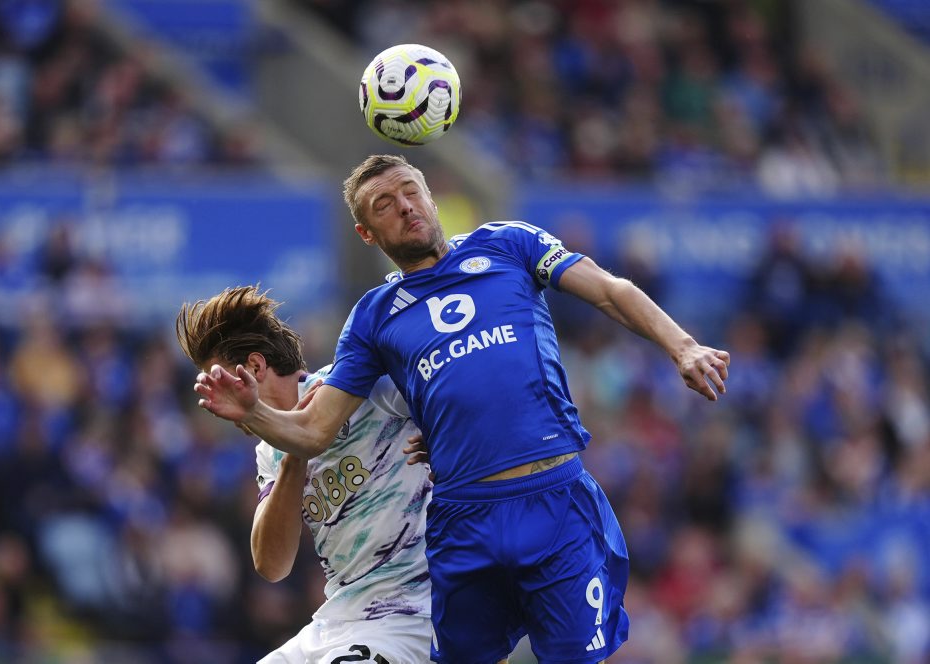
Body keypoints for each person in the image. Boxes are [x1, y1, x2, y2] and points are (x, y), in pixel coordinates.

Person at [193, 155, 731, 663]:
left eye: (411, 191)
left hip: (551, 498)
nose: (404, 206)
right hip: (461, 521)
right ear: (367, 234)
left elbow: (609, 291)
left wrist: (682, 345)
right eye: (384, 205)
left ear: (430, 195)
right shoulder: (375, 318)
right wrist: (257, 416)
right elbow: (310, 438)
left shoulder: (508, 245)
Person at [176, 285, 435, 664]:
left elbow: (447, 396)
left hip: (411, 613)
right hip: (338, 619)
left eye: (221, 383)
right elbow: (272, 565)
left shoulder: (352, 387)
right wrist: (294, 456)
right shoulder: (269, 452)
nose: (216, 405)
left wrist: (441, 436)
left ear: (255, 367)